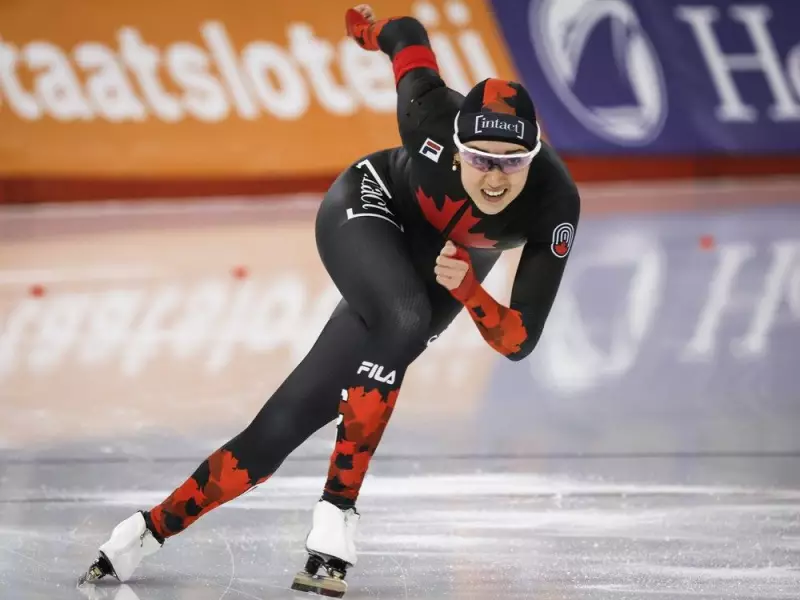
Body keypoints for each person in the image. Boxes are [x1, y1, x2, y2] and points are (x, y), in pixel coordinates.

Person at [78, 4, 580, 597]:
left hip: (447, 267)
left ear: (535, 156)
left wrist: (470, 289)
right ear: (454, 146)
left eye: (512, 164)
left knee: (282, 426)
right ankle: (336, 518)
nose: (495, 178)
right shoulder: (428, 113)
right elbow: (407, 36)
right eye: (480, 159)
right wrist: (365, 30)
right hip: (370, 204)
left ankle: (144, 532)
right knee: (405, 316)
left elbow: (519, 341)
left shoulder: (554, 203)